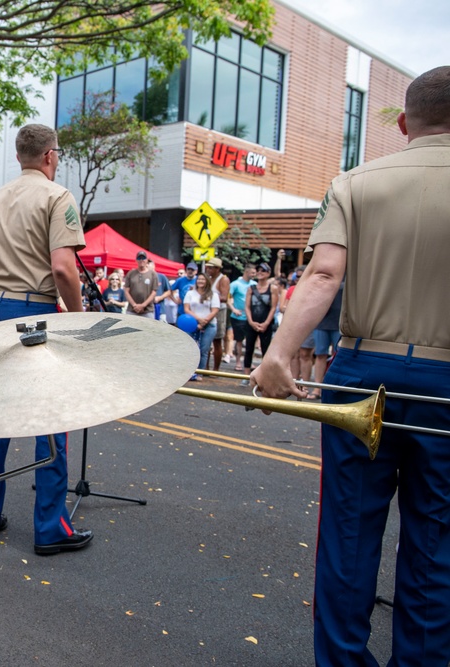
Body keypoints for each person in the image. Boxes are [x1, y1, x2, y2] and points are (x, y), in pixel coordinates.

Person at [252, 67, 450, 666]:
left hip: (365, 371)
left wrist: (277, 354)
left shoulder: (355, 181)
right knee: (438, 544)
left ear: (403, 122)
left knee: (348, 538)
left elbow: (324, 274)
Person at [0, 123, 91, 556]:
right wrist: (79, 321)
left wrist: (6, 266)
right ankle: (50, 527)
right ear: (51, 156)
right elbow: (62, 269)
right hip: (36, 310)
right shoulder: (58, 197)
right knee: (49, 418)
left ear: (20, 155)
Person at [241, 262, 279, 383]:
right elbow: (246, 306)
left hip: (265, 322)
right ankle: (246, 376)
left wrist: (266, 323)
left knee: (265, 349)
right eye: (258, 270)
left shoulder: (272, 288)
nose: (260, 273)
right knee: (249, 348)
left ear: (268, 273)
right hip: (252, 321)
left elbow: (273, 307)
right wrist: (251, 321)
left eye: (263, 271)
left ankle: (265, 376)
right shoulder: (251, 288)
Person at [307, 280, 344, 400]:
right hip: (321, 323)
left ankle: (331, 387)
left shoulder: (347, 282)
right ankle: (318, 388)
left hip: (338, 324)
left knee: (336, 356)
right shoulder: (323, 282)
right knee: (320, 355)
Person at [184, 273, 220, 380]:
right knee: (190, 348)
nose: (200, 281)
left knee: (204, 349)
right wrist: (198, 320)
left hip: (210, 324)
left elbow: (215, 310)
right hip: (192, 323)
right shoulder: (190, 293)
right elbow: (187, 309)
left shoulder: (213, 295)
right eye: (199, 279)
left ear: (207, 281)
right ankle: (188, 371)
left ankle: (199, 372)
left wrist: (204, 321)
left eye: (203, 279)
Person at [228, 264, 256, 371]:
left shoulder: (254, 284)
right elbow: (228, 297)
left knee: (251, 341)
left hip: (251, 317)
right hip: (238, 317)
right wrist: (233, 309)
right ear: (246, 272)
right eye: (252, 272)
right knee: (239, 340)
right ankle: (238, 362)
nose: (254, 274)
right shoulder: (235, 284)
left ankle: (249, 362)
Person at [205, 258, 231, 369]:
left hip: (219, 311)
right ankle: (205, 367)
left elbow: (225, 297)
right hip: (208, 310)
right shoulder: (209, 279)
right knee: (206, 341)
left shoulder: (223, 279)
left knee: (217, 340)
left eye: (211, 267)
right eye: (207, 267)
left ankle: (216, 368)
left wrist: (208, 298)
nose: (208, 269)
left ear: (217, 269)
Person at [124, 250, 158, 317]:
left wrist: (143, 305)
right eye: (139, 258)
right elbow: (126, 291)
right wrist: (134, 305)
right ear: (136, 260)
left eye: (143, 258)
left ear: (147, 260)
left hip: (148, 310)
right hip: (132, 310)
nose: (141, 260)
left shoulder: (153, 274)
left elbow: (154, 292)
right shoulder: (131, 273)